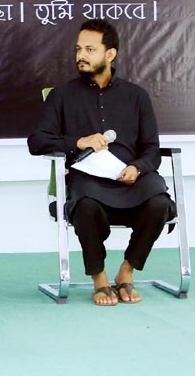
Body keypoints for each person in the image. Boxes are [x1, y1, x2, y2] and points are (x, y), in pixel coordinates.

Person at [28, 19, 176, 306]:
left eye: (90, 49)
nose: (81, 55)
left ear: (110, 54)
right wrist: (77, 142)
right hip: (89, 181)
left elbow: (152, 149)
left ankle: (127, 270)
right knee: (84, 205)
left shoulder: (136, 96)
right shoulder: (62, 95)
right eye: (78, 49)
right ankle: (99, 278)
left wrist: (138, 168)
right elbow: (37, 142)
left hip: (131, 178)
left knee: (159, 201)